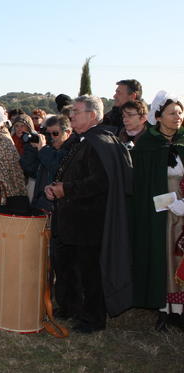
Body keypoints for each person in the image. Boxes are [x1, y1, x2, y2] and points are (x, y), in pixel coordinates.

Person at [44, 95, 132, 333]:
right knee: (69, 267)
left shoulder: (98, 142)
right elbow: (76, 175)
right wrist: (56, 188)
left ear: (93, 116)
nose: (71, 115)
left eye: (77, 112)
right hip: (74, 218)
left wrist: (67, 189)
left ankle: (92, 319)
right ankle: (72, 308)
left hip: (88, 221)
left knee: (89, 273)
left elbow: (101, 182)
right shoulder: (85, 140)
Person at [126, 91, 184, 331]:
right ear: (159, 117)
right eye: (172, 113)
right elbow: (143, 184)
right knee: (163, 257)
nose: (178, 117)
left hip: (183, 211)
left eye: (180, 112)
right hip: (160, 215)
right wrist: (169, 202)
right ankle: (164, 308)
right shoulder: (147, 145)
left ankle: (180, 310)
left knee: (180, 258)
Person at [21, 115, 73, 212]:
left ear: (68, 133)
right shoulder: (47, 150)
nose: (51, 137)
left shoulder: (72, 150)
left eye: (55, 133)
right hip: (40, 204)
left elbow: (57, 168)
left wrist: (43, 150)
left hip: (57, 209)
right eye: (48, 134)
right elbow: (30, 169)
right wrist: (32, 148)